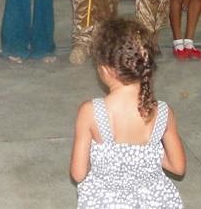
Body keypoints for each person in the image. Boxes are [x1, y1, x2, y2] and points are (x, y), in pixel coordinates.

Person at [70, 18, 185, 208]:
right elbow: (178, 167)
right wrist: (149, 156)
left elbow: (78, 173)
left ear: (105, 69)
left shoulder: (90, 112)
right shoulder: (163, 113)